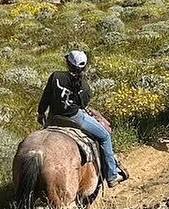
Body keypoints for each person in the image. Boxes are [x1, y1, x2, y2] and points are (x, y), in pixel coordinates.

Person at [38, 51, 127, 188]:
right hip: (74, 119)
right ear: (83, 68)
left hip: (54, 118)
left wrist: (40, 113)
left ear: (68, 63)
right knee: (104, 136)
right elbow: (82, 105)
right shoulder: (84, 86)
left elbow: (46, 97)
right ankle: (112, 175)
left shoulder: (56, 76)